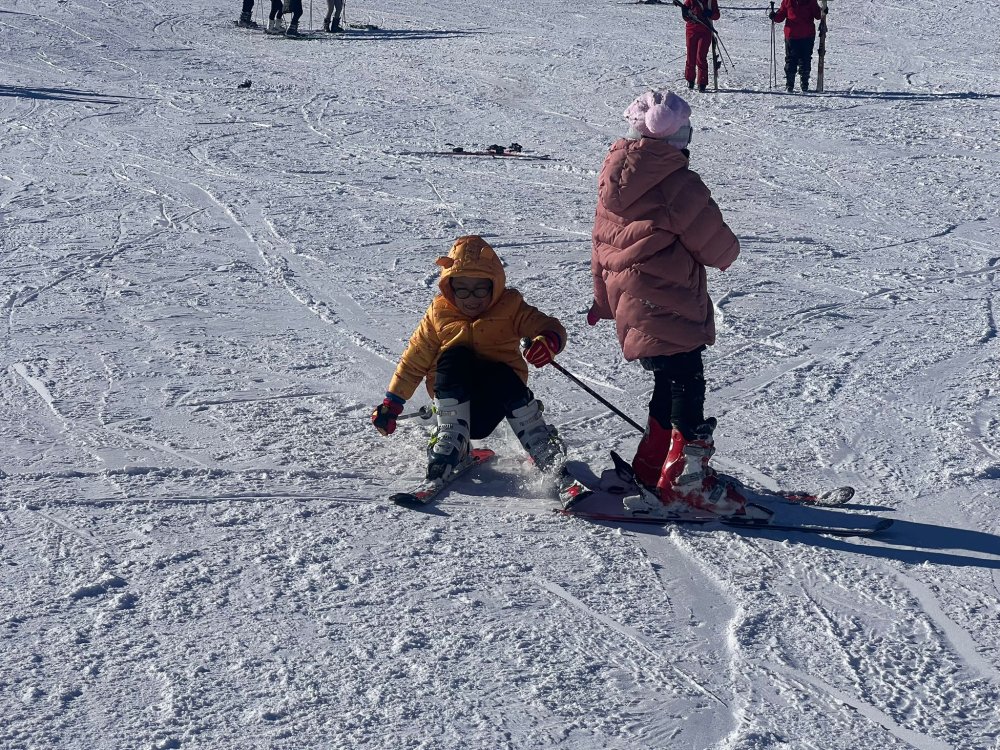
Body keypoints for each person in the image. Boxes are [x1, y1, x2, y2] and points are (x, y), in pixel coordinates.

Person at [587, 90, 747, 517]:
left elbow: (600, 246)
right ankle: (686, 477)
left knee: (668, 382)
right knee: (686, 383)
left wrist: (604, 302)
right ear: (676, 140)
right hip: (671, 302)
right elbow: (716, 246)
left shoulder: (611, 178)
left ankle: (653, 464)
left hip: (632, 307)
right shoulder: (678, 182)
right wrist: (729, 253)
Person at [371, 235, 568, 482]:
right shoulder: (438, 314)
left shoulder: (511, 307)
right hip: (452, 405)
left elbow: (548, 325)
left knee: (500, 372)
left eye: (480, 288)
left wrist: (548, 340)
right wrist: (392, 403)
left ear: (494, 284)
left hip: (495, 403)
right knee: (454, 357)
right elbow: (414, 359)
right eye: (462, 289)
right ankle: (451, 440)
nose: (471, 298)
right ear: (448, 286)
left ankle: (539, 440)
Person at [769, 0, 824, 92]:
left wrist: (823, 11)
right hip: (798, 35)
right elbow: (781, 16)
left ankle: (798, 84)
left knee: (797, 59)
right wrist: (775, 16)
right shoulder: (788, 1)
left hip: (801, 35)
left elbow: (818, 15)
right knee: (799, 59)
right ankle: (796, 84)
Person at [680, 0, 720, 93]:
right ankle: (690, 80)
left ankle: (702, 82)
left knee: (701, 57)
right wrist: (685, 12)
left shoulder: (711, 1)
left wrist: (710, 13)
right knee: (690, 55)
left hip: (705, 31)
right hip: (691, 30)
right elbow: (686, 17)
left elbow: (717, 15)